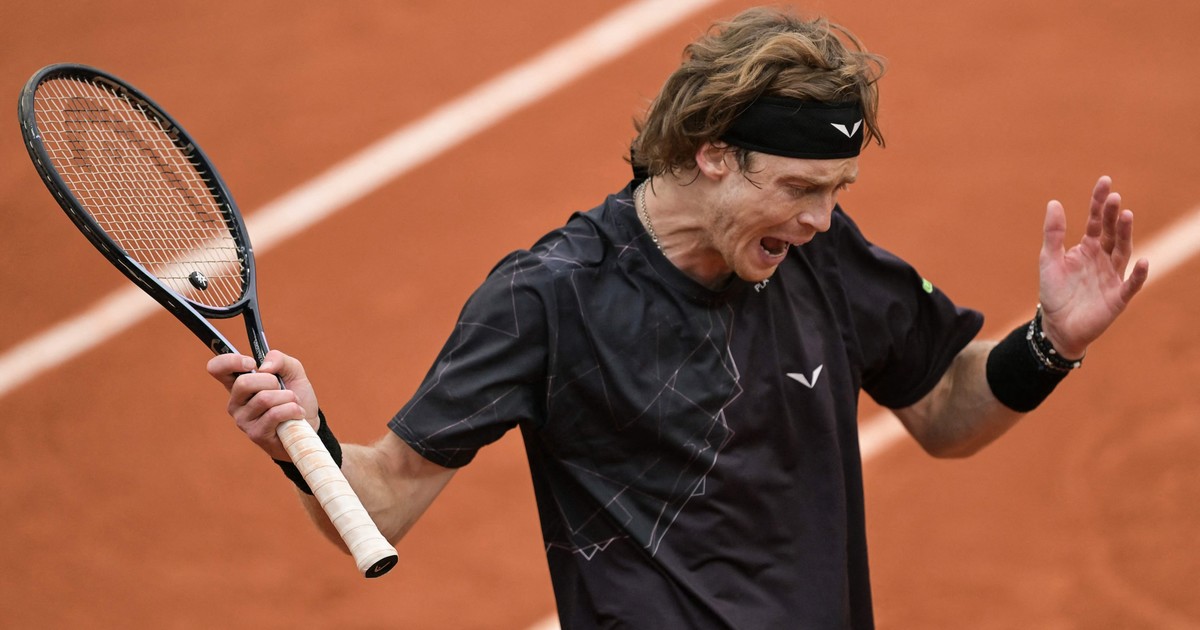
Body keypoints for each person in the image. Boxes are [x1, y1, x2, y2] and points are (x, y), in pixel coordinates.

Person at [207, 7, 1149, 628]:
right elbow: (383, 502)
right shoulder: (549, 300)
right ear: (711, 154)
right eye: (799, 188)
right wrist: (304, 438)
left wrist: (1050, 343)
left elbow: (943, 410)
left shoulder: (820, 257)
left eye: (838, 189)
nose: (822, 219)